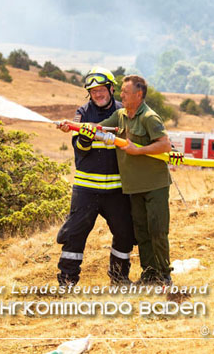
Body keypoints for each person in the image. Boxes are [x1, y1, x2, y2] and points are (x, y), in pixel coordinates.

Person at [55, 67, 136, 286]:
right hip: (87, 190)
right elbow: (80, 149)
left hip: (116, 190)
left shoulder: (123, 112)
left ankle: (119, 278)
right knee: (75, 235)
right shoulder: (82, 113)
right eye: (93, 91)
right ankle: (67, 281)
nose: (97, 94)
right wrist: (86, 138)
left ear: (111, 89)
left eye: (101, 89)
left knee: (125, 233)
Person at [100, 75, 175, 285]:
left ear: (138, 94)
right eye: (121, 91)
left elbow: (165, 145)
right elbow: (99, 128)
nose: (120, 94)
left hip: (155, 185)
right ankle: (149, 274)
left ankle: (164, 275)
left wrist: (138, 150)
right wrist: (74, 125)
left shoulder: (149, 117)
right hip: (134, 186)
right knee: (141, 231)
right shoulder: (120, 115)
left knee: (157, 230)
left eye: (125, 91)